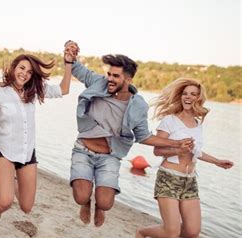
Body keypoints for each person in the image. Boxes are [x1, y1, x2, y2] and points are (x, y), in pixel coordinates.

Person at [64, 41, 194, 228]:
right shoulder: (98, 83)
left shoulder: (138, 105)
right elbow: (77, 69)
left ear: (128, 80)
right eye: (109, 74)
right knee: (81, 196)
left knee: (106, 203)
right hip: (83, 150)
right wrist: (69, 56)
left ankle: (99, 207)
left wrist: (176, 144)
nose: (109, 78)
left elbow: (144, 136)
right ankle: (86, 203)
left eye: (116, 76)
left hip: (109, 156)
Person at [0, 50, 73, 238]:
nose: (25, 73)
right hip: (5, 152)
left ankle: (12, 179)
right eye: (22, 68)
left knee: (26, 207)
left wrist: (68, 63)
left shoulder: (34, 91)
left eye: (30, 72)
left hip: (27, 155)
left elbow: (64, 89)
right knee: (5, 201)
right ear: (14, 68)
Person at [133, 78, 233, 238]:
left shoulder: (197, 123)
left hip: (190, 181)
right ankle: (143, 232)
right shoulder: (169, 121)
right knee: (172, 232)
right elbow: (157, 151)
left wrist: (217, 161)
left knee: (192, 232)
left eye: (193, 94)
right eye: (185, 93)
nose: (188, 97)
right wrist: (177, 147)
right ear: (180, 96)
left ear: (198, 98)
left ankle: (161, 232)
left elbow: (196, 152)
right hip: (169, 177)